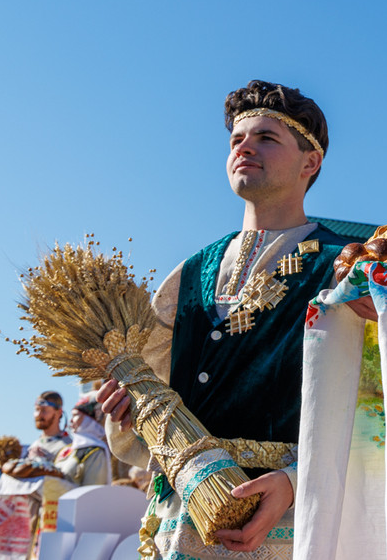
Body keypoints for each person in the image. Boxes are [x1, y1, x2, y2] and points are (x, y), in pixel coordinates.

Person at [97, 81, 350, 560]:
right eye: (237, 139)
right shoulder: (189, 273)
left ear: (310, 162)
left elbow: (375, 402)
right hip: (183, 517)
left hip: (290, 522)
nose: (244, 148)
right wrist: (133, 406)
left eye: (266, 138)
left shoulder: (343, 268)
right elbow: (154, 388)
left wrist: (296, 482)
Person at [53, 394, 110, 487]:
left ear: (89, 419)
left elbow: (92, 490)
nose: (71, 420)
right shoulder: (66, 450)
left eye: (75, 415)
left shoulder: (95, 452)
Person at [26, 392, 70, 463]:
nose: (38, 414)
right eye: (37, 409)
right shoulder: (34, 446)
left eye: (44, 410)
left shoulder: (67, 447)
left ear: (59, 412)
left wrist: (40, 461)